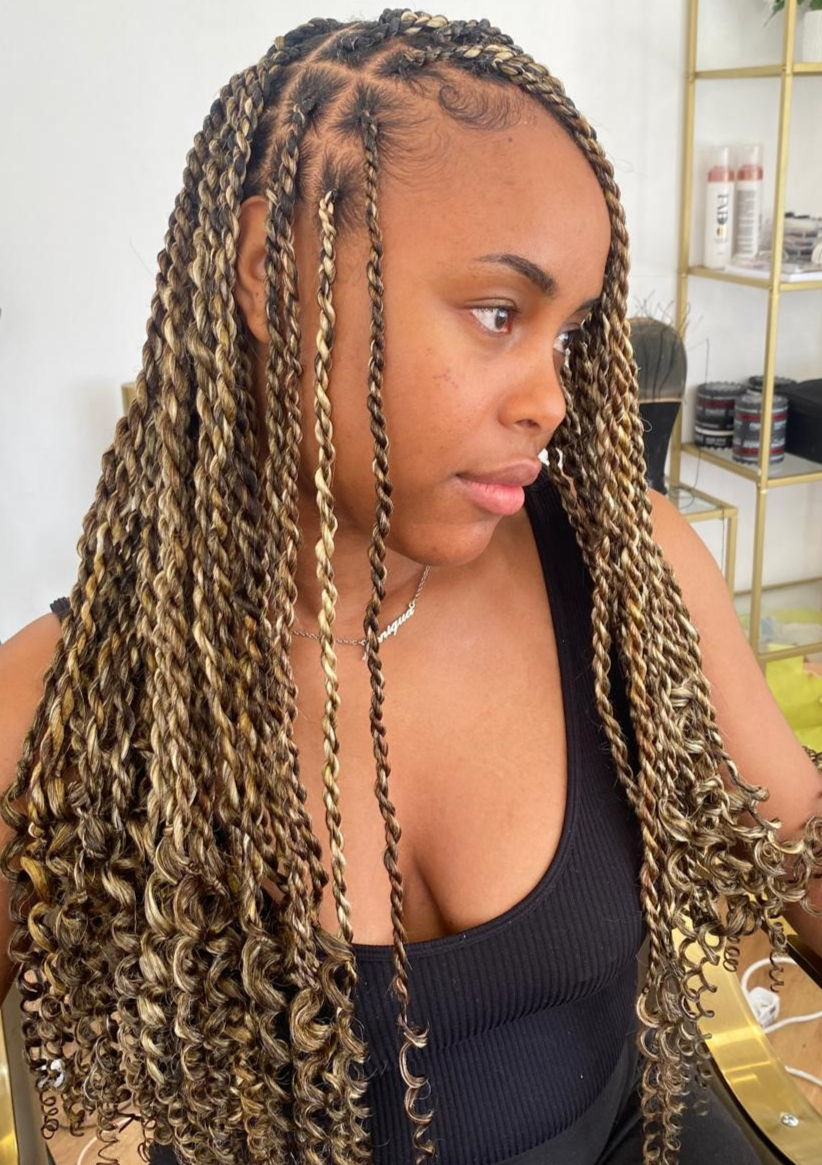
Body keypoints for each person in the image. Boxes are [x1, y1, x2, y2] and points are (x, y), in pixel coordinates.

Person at [0, 10, 820, 1165]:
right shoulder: (57, 715)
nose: (553, 401)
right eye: (498, 313)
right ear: (271, 272)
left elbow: (798, 843)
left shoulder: (626, 566)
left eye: (568, 334)